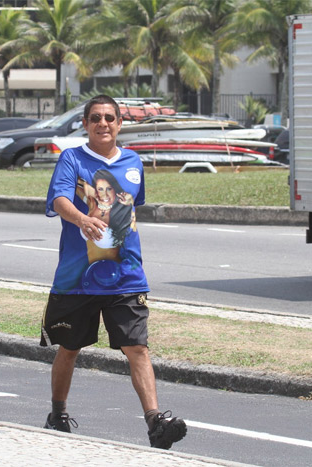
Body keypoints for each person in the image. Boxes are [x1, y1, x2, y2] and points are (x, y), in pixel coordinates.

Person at [40, 95, 187, 449]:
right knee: (70, 349)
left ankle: (155, 422)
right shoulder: (72, 159)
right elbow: (59, 200)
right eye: (95, 118)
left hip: (127, 276)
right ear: (86, 124)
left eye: (109, 118)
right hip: (77, 279)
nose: (102, 123)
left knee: (137, 347)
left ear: (120, 123)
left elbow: (133, 206)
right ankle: (57, 412)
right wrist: (82, 218)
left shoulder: (134, 161)